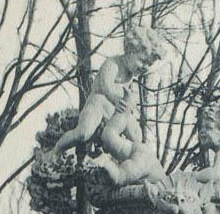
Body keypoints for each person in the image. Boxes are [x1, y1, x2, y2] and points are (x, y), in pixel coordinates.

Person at [43, 26, 165, 164]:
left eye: (149, 64)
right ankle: (55, 150)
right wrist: (116, 99)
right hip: (98, 104)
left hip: (115, 110)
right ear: (130, 51)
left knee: (137, 136)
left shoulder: (130, 75)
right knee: (83, 133)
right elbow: (106, 86)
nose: (145, 67)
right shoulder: (112, 64)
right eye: (143, 61)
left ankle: (132, 166)